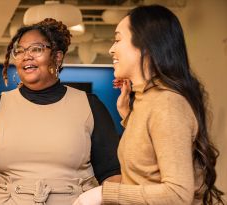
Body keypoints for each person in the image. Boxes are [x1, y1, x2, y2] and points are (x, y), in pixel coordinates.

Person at [0, 18, 121, 205]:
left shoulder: (89, 105)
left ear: (57, 57)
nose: (26, 56)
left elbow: (112, 173)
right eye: (19, 51)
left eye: (36, 49)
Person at [72, 5, 225, 205]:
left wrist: (104, 194)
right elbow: (147, 163)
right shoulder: (147, 100)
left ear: (145, 46)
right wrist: (127, 115)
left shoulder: (167, 103)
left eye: (118, 39)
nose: (111, 49)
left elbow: (178, 195)